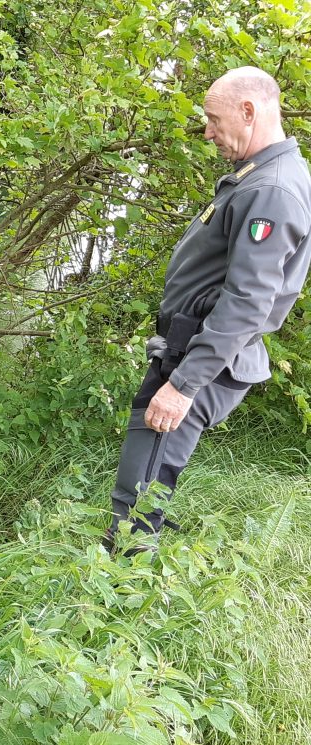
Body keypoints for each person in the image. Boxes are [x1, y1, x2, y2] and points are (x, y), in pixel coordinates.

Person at [105, 66, 311, 553]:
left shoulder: (272, 191)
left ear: (248, 111)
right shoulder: (258, 176)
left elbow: (248, 301)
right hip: (190, 350)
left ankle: (119, 611)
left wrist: (182, 385)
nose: (208, 131)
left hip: (200, 360)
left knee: (137, 499)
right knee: (141, 486)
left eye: (214, 119)